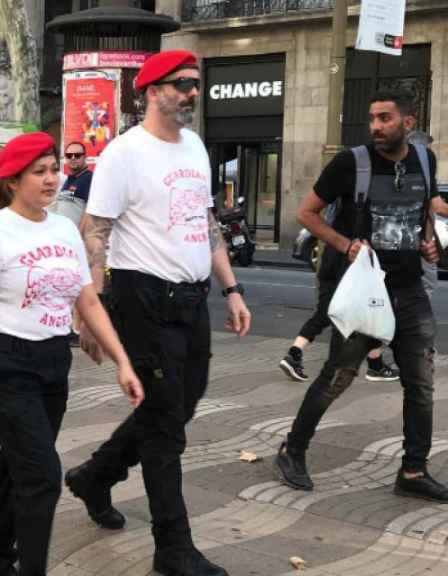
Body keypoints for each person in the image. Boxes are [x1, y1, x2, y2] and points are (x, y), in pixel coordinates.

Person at [67, 51, 251, 576]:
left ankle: (96, 475)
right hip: (141, 298)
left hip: (193, 298)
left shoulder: (195, 147)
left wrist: (232, 289)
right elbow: (94, 234)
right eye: (180, 85)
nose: (191, 93)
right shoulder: (125, 154)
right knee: (166, 424)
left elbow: (206, 222)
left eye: (195, 85)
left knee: (179, 404)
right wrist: (92, 314)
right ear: (150, 90)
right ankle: (173, 547)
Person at [0, 132, 143, 576]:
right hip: (4, 363)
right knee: (42, 476)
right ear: (13, 181)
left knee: (18, 465)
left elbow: (87, 300)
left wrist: (122, 360)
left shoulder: (65, 229)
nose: (52, 179)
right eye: (40, 171)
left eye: (55, 169)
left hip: (52, 361)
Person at [274, 90, 448, 502]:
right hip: (364, 291)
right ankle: (292, 450)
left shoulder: (425, 159)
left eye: (385, 118)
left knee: (421, 383)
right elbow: (306, 213)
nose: (375, 126)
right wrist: (345, 244)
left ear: (408, 122)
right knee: (338, 376)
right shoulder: (351, 162)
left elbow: (424, 209)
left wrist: (428, 243)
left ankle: (413, 470)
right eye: (372, 117)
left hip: (408, 290)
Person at [279, 292, 398, 383]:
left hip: (330, 272)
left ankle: (295, 353)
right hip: (346, 275)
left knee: (323, 315)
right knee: (373, 312)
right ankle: (374, 366)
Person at [53, 141, 94, 346]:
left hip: (78, 242)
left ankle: (77, 330)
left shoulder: (88, 179)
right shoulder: (68, 180)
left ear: (85, 156)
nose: (73, 159)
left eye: (77, 155)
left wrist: (78, 237)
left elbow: (89, 211)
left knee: (78, 286)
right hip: (63, 243)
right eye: (69, 156)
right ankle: (69, 327)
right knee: (67, 285)